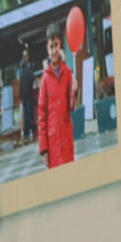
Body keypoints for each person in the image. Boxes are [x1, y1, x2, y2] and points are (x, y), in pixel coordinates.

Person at [37, 29, 77, 169]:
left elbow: (71, 107)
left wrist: (74, 92)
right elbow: (41, 116)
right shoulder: (45, 80)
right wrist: (44, 149)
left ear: (60, 46)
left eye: (56, 45)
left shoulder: (67, 73)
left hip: (66, 138)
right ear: (47, 49)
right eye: (51, 46)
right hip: (52, 142)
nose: (54, 51)